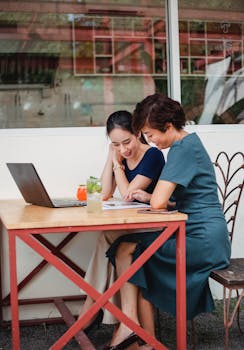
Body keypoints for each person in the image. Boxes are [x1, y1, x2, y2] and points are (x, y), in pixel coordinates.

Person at [105, 93, 231, 350]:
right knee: (125, 249)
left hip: (203, 241)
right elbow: (175, 200)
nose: (150, 141)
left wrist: (152, 198)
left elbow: (159, 204)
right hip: (195, 232)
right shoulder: (187, 145)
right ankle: (141, 334)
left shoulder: (182, 149)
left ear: (169, 127)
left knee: (130, 252)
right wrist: (151, 196)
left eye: (150, 134)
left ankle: (143, 337)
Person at [78, 110, 165, 335]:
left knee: (108, 238)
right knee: (105, 237)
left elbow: (127, 193)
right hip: (133, 223)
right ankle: (96, 304)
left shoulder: (153, 156)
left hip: (155, 226)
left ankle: (93, 306)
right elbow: (105, 193)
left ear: (138, 133)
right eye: (116, 144)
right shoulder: (119, 154)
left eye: (126, 142)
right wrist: (111, 156)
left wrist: (118, 165)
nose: (124, 149)